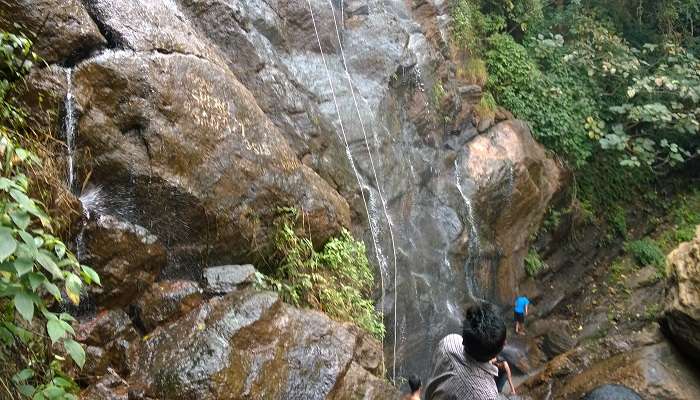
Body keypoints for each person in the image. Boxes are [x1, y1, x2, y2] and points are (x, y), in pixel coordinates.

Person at [424, 302, 507, 400]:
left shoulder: (449, 341)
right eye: (504, 342)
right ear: (498, 350)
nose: (506, 342)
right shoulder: (486, 394)